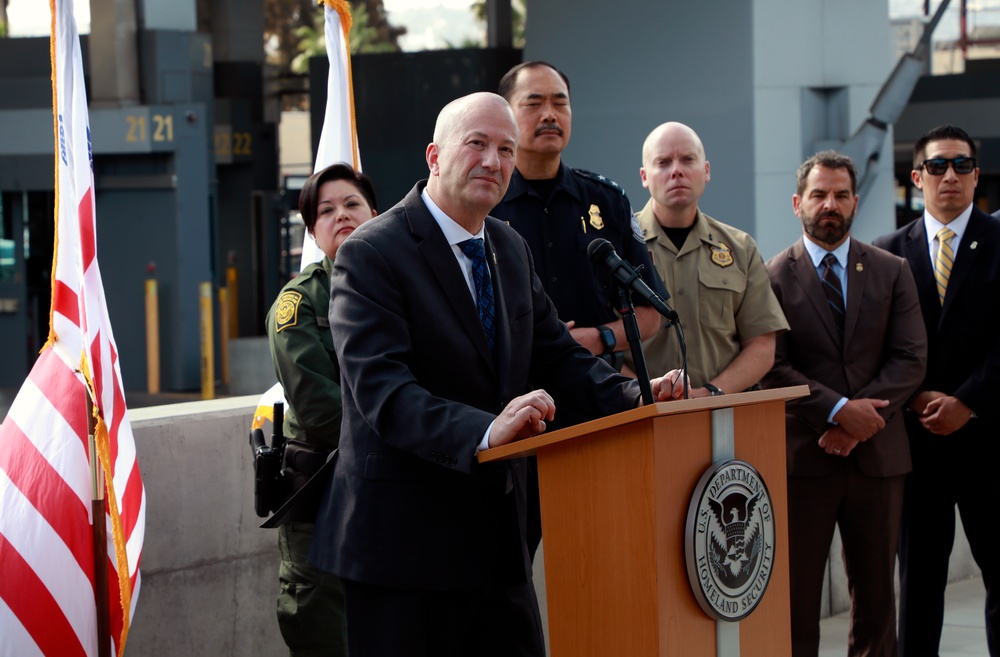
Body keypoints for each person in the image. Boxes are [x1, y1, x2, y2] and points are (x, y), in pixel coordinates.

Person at [308, 92, 673, 657]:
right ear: (433, 156)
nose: (494, 161)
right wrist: (484, 431)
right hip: (403, 551)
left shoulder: (507, 244)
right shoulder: (372, 253)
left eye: (506, 149)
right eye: (476, 143)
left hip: (498, 544)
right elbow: (383, 391)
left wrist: (640, 395)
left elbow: (557, 357)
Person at [762, 151, 926, 656]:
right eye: (818, 195)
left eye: (839, 195)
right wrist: (836, 411)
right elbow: (771, 366)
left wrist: (857, 423)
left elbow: (911, 357)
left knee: (878, 603)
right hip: (803, 463)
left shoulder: (891, 270)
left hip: (878, 461)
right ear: (797, 203)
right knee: (795, 601)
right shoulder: (770, 277)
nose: (829, 204)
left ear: (855, 202)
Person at [873, 124, 1000, 656]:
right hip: (917, 446)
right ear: (917, 177)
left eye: (963, 165)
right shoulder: (886, 254)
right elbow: (877, 346)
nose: (951, 175)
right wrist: (919, 395)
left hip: (990, 443)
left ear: (975, 175)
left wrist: (967, 401)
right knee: (918, 589)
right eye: (940, 166)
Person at [265, 163, 377, 657]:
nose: (342, 216)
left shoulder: (400, 288)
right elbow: (319, 407)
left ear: (376, 212)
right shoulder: (299, 303)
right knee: (325, 628)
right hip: (324, 492)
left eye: (352, 204)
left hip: (392, 493)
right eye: (326, 211)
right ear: (313, 231)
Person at [491, 61, 665, 377]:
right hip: (513, 390)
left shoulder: (606, 200)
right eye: (534, 103)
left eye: (560, 103)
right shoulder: (486, 203)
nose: (549, 115)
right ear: (506, 115)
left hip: (598, 381)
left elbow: (652, 313)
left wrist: (600, 337)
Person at [635, 122, 788, 398]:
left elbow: (762, 346)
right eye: (663, 162)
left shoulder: (740, 248)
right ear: (645, 176)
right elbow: (602, 345)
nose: (677, 170)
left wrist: (709, 393)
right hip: (638, 419)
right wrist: (640, 394)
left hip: (722, 420)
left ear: (706, 171)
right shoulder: (618, 246)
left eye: (687, 159)